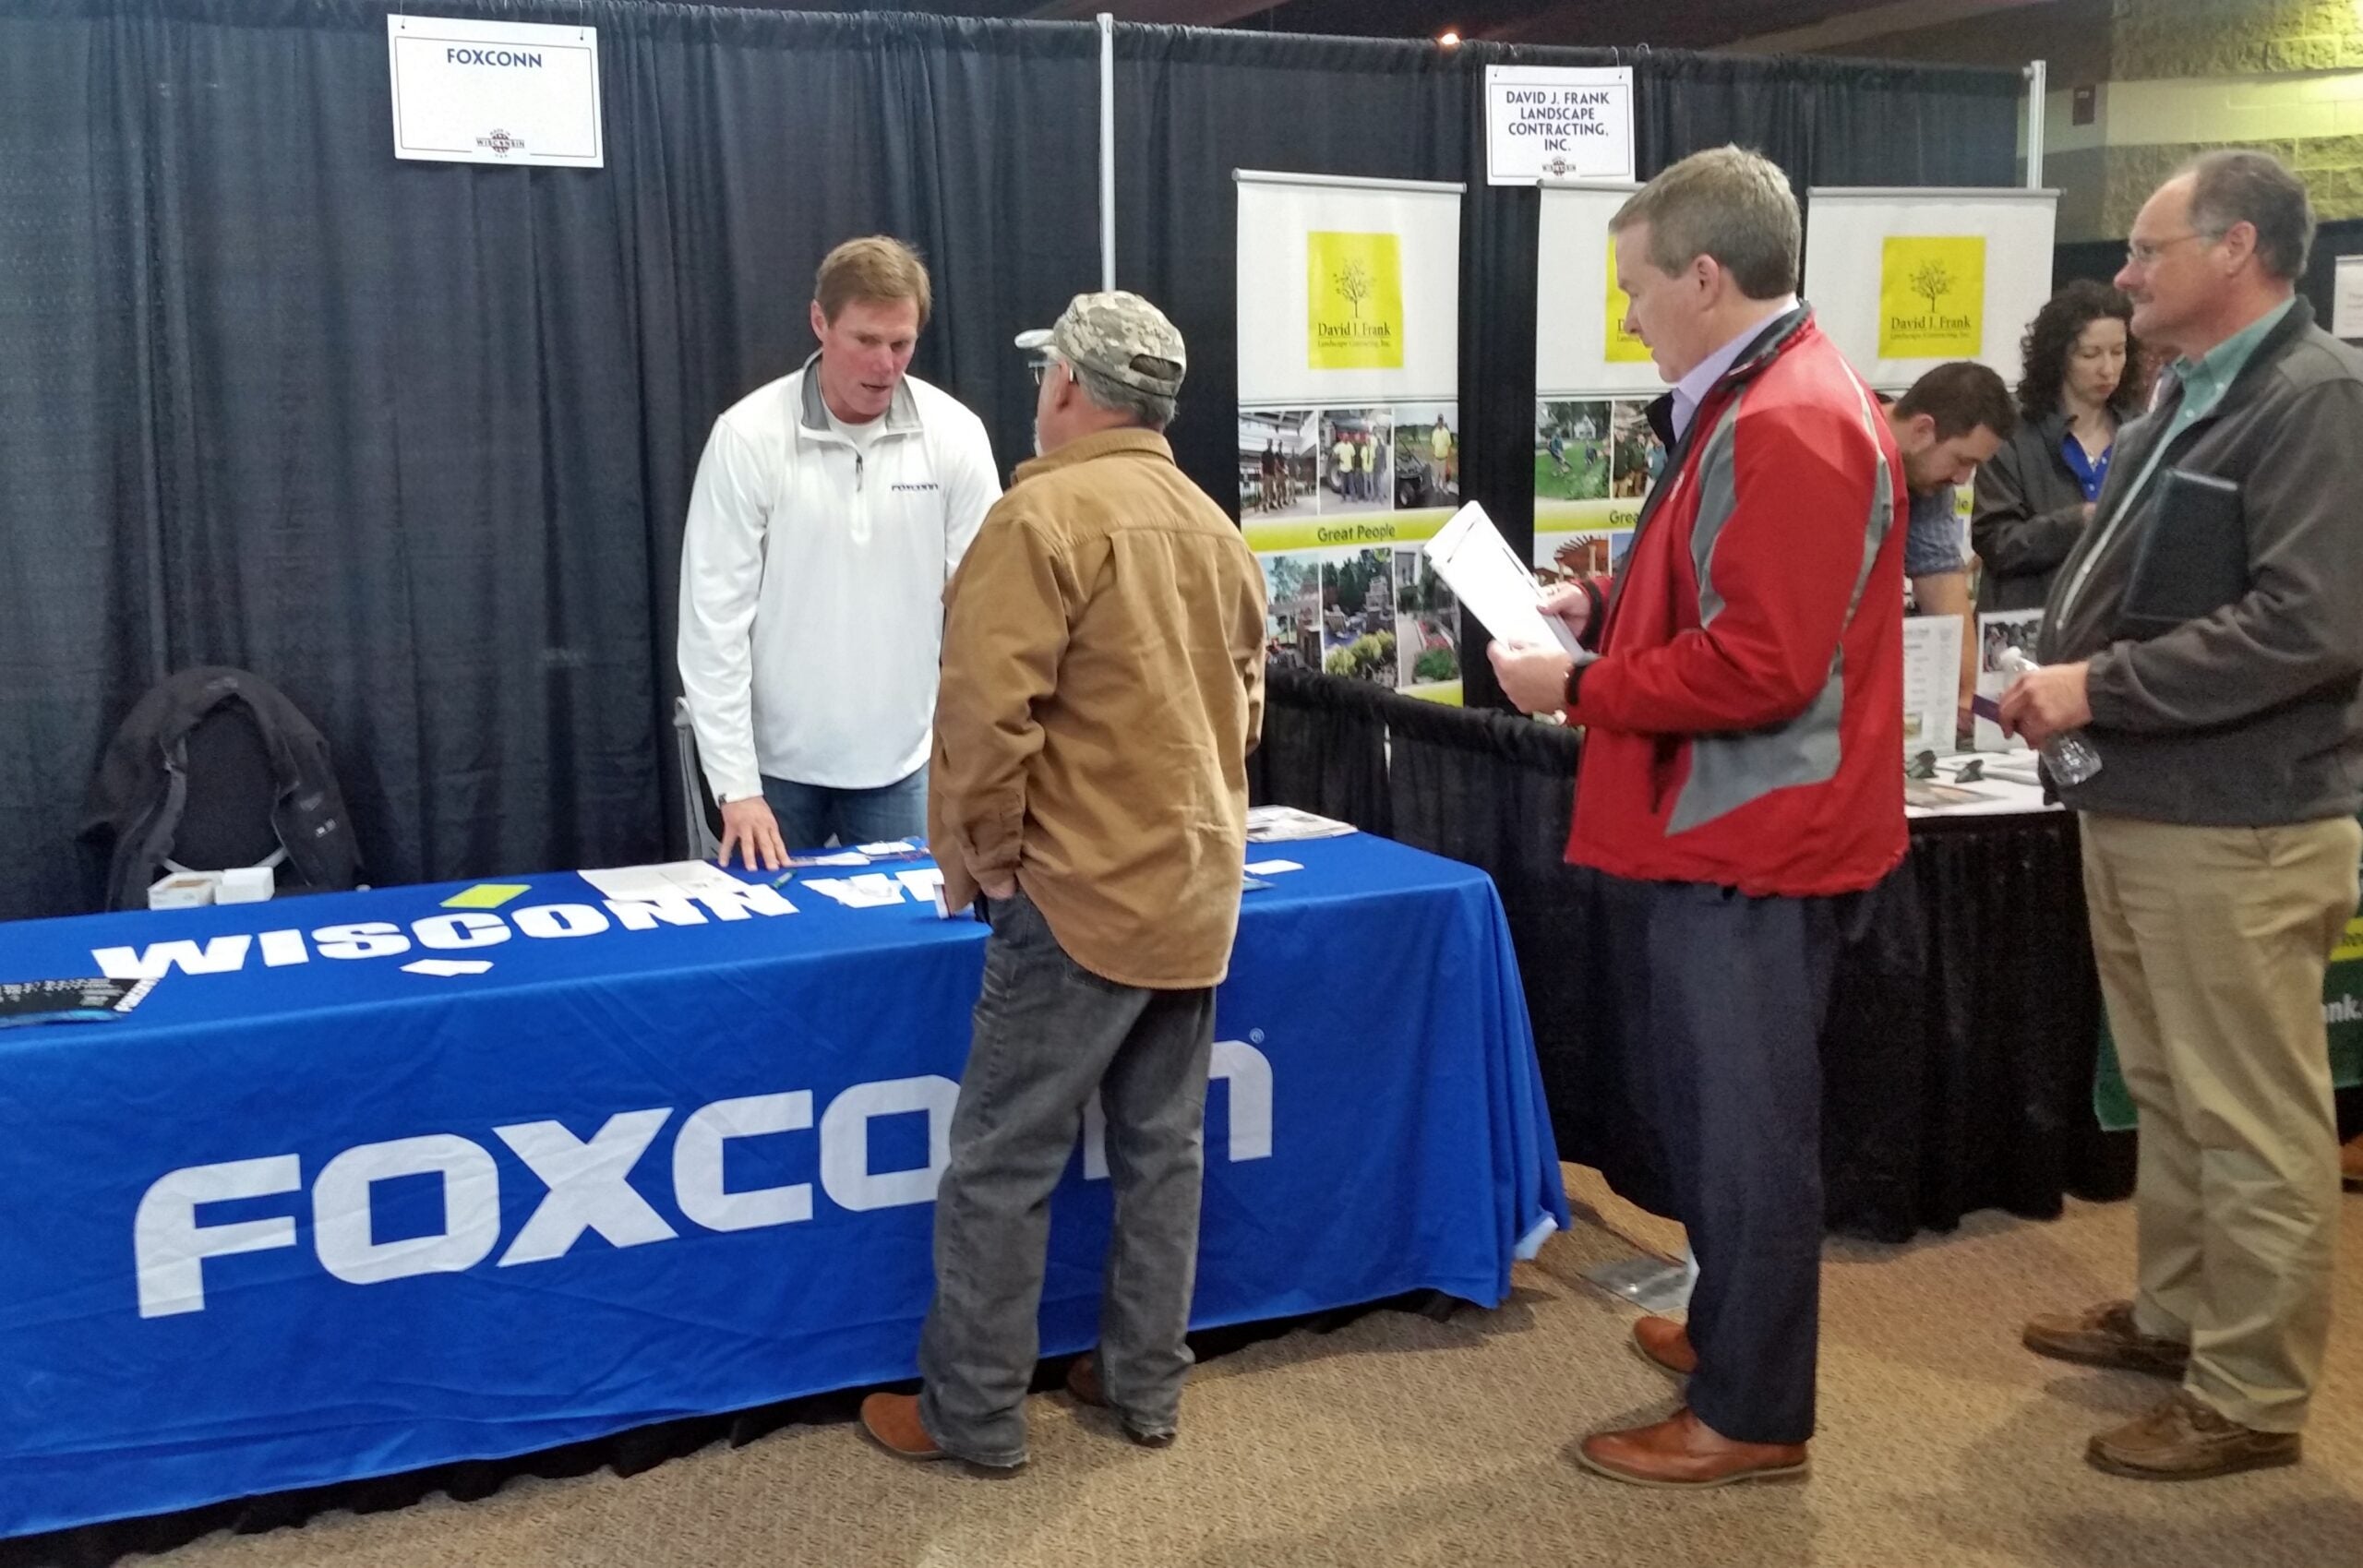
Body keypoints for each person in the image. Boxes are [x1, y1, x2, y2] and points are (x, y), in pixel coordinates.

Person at [1489, 145, 1905, 1490]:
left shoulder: (1782, 416)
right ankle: (1735, 1338)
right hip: (1737, 828)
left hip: (1755, 839)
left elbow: (1763, 665)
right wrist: (1606, 612)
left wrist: (1585, 683)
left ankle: (1753, 1408)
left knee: (1748, 1139)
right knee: (1727, 1123)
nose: (1628, 315)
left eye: (1637, 287)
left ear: (1707, 276)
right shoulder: (1759, 398)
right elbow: (1739, 613)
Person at [856, 291, 1266, 1472]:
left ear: (1071, 390)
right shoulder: (1211, 525)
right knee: (1164, 1155)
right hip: (1194, 892)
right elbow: (1244, 717)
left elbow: (986, 722)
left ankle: (972, 1414)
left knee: (1000, 1162)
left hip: (1075, 899)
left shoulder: (1042, 520)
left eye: (1048, 377)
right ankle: (1144, 1385)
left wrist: (983, 865)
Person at [2006, 150, 2363, 1481]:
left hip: (2243, 820)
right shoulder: (2188, 394)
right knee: (2169, 1087)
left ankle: (2251, 1392)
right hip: (2150, 799)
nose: (2129, 276)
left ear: (2243, 250)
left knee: (2254, 1112)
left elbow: (2309, 626)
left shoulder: (2317, 401)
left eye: (2153, 252)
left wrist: (2099, 680)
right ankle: (2178, 1320)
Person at [678, 235, 1001, 865]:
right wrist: (736, 785)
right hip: (772, 771)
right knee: (773, 954)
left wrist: (970, 761)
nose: (885, 364)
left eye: (901, 344)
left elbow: (984, 617)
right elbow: (714, 622)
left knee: (903, 953)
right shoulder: (747, 438)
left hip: (904, 763)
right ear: (820, 322)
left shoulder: (955, 436)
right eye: (866, 341)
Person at [1973, 281, 2143, 612]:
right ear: (2058, 356)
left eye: (2118, 351)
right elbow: (1995, 543)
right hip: (2031, 627)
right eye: (2090, 354)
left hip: (2116, 624)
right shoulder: (2013, 432)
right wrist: (2077, 521)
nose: (2108, 369)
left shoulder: (2143, 430)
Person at [1879, 364, 2020, 732]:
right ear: (1924, 429)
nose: (1963, 479)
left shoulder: (1924, 475)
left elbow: (1942, 580)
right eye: (1962, 461)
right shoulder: (1838, 447)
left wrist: (1966, 696)